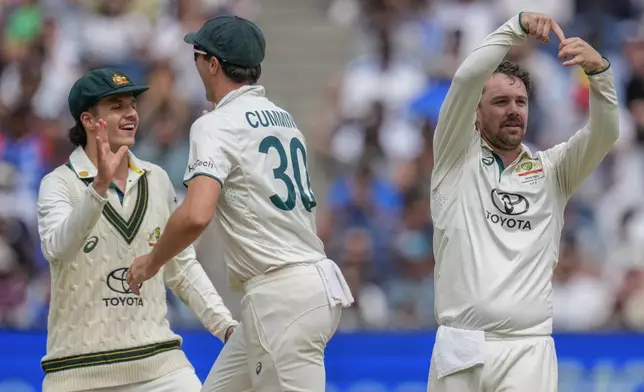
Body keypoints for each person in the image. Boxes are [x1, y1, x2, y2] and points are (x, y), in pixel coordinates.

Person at [126, 15, 354, 392]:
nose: (195, 64)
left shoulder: (215, 125)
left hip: (281, 298)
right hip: (303, 287)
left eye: (197, 55)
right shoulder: (283, 118)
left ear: (213, 64)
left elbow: (197, 215)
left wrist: (151, 263)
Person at [427, 12, 618, 392]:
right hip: (460, 344)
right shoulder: (454, 157)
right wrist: (513, 27)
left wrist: (600, 75)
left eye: (521, 101)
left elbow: (605, 131)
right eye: (500, 101)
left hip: (528, 349)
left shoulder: (553, 171)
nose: (514, 109)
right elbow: (467, 79)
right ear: (476, 115)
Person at [36, 68, 238, 392]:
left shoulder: (157, 179)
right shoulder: (57, 184)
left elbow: (181, 269)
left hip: (161, 367)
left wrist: (226, 327)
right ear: (88, 120)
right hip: (77, 374)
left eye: (132, 104)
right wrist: (97, 188)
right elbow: (58, 248)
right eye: (117, 106)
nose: (131, 113)